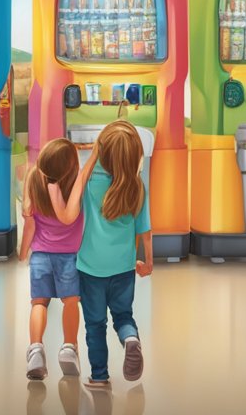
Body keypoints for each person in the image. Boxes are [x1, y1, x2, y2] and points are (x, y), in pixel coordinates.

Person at [77, 121, 153, 389]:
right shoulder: (137, 185)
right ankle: (130, 339)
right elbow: (145, 230)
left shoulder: (90, 184)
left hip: (90, 268)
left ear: (102, 151)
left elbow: (77, 186)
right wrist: (149, 263)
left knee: (95, 324)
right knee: (123, 316)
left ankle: (99, 376)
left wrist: (93, 154)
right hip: (123, 267)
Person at [20, 138, 99, 380]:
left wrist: (24, 252)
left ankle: (35, 348)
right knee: (71, 302)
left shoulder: (34, 178)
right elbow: (86, 174)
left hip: (41, 254)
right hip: (69, 256)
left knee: (39, 303)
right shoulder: (76, 185)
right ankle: (68, 348)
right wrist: (96, 151)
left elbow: (29, 222)